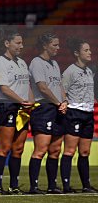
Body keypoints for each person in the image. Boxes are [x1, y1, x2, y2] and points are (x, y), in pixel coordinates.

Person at [0, 30, 33, 195]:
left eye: (22, 43)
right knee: (5, 147)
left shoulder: (22, 63)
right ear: (7, 43)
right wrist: (21, 100)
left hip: (22, 109)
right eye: (18, 43)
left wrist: (29, 103)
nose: (21, 46)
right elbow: (4, 88)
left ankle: (14, 185)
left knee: (18, 148)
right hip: (7, 106)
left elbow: (27, 86)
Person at [27, 33, 67, 194]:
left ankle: (52, 185)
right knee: (41, 149)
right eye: (54, 45)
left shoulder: (55, 63)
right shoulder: (36, 63)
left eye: (58, 45)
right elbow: (42, 87)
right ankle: (34, 186)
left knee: (55, 150)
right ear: (45, 45)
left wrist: (64, 101)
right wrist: (58, 102)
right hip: (44, 109)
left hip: (58, 108)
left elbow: (60, 86)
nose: (58, 48)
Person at [61, 39, 95, 193]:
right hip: (74, 113)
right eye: (86, 50)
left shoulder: (89, 71)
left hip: (88, 113)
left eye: (89, 50)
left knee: (85, 152)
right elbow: (61, 89)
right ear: (76, 53)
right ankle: (66, 186)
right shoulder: (70, 71)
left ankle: (86, 185)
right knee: (69, 151)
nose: (89, 52)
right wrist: (65, 102)